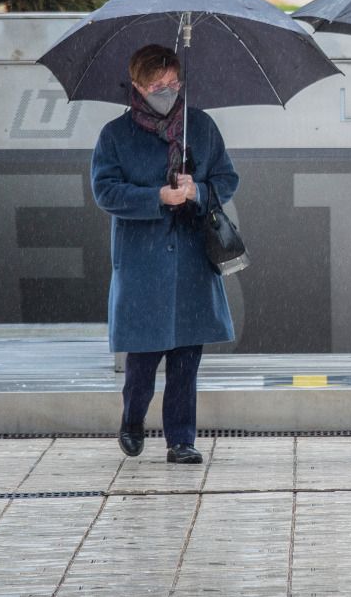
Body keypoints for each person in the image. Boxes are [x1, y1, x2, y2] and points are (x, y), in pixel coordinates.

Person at [91, 44, 238, 465]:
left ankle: (181, 438)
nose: (168, 92)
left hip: (192, 259)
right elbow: (105, 191)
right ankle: (132, 420)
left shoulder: (201, 127)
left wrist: (199, 191)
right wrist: (157, 196)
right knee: (142, 362)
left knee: (186, 359)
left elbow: (227, 178)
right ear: (136, 86)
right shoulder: (115, 136)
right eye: (157, 85)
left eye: (174, 84)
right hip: (143, 265)